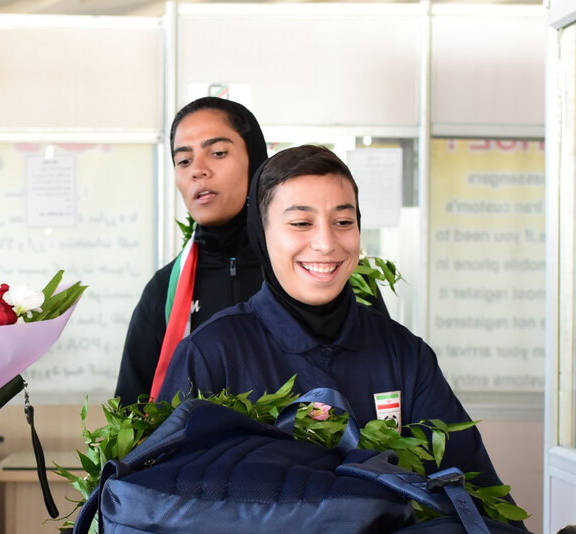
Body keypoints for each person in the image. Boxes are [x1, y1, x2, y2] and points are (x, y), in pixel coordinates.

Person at [159, 144, 507, 491]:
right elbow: (163, 507)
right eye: (300, 223)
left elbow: (475, 495)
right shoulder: (209, 355)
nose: (326, 243)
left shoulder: (403, 354)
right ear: (262, 236)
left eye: (343, 222)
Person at [113, 97, 269, 406]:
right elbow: (129, 416)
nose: (198, 170)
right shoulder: (163, 290)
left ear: (255, 160)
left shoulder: (309, 268)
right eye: (184, 160)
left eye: (218, 153)